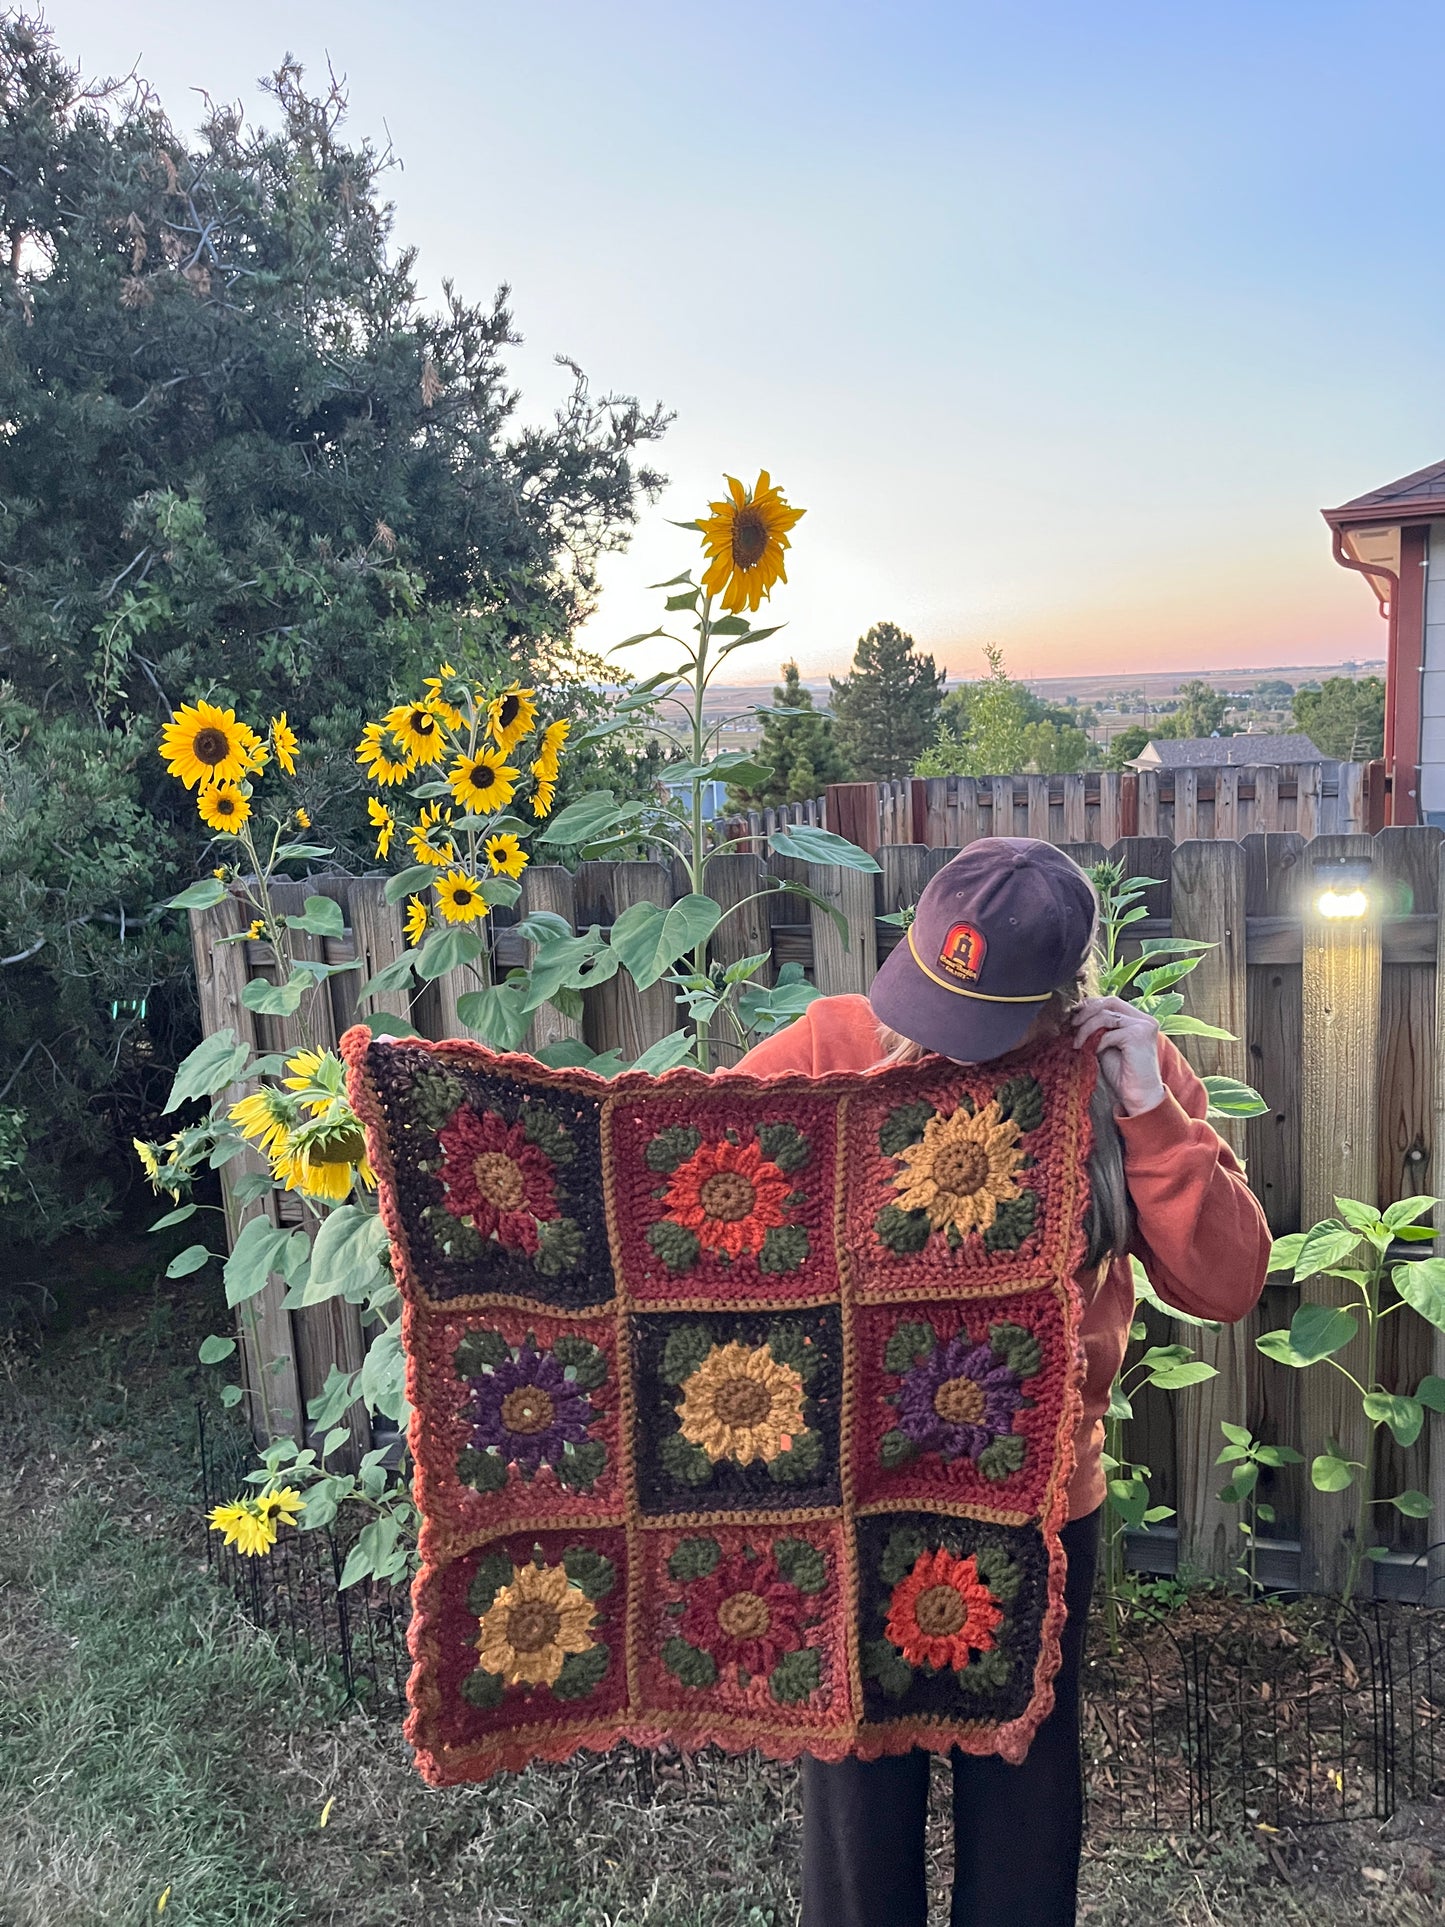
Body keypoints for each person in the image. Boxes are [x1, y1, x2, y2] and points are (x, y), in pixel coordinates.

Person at [732, 837, 1270, 1927]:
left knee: (1022, 1799)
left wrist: (1148, 1112)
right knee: (855, 1796)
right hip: (852, 1500)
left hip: (1035, 1509)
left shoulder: (1121, 1073)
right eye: (929, 998)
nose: (945, 1041)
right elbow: (697, 1205)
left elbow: (1225, 1280)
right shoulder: (828, 1042)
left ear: (1058, 996)